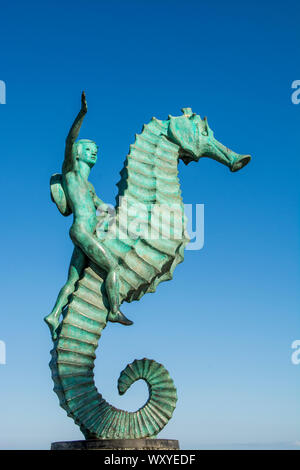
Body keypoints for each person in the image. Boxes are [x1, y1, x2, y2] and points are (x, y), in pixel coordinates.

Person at [44, 92, 132, 340]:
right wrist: (82, 114)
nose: (94, 152)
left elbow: (106, 209)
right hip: (82, 232)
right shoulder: (71, 174)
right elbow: (69, 139)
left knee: (73, 279)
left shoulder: (90, 187)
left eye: (96, 150)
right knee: (113, 266)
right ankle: (113, 311)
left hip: (85, 234)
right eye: (89, 149)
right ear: (78, 153)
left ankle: (53, 315)